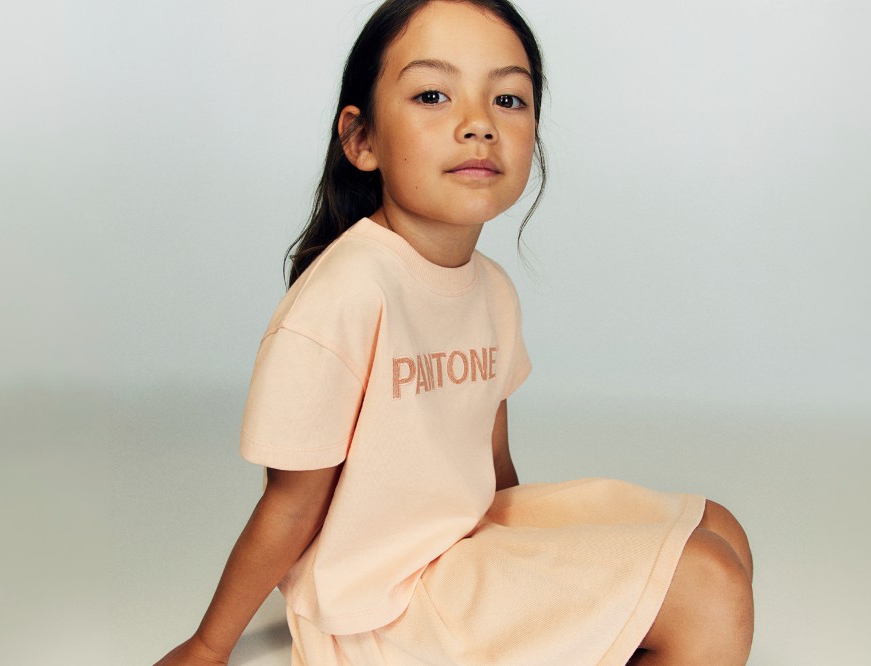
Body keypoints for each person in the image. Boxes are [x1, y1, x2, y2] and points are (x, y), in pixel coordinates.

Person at [155, 1, 754, 664]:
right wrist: (209, 646)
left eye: (508, 98)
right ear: (363, 140)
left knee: (717, 531)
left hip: (461, 546)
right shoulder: (344, 298)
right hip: (384, 605)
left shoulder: (491, 288)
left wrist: (541, 574)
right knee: (707, 584)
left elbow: (494, 474)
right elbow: (291, 506)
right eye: (433, 94)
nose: (478, 125)